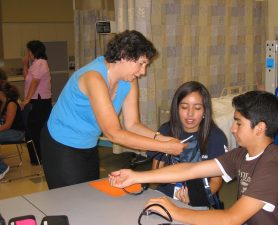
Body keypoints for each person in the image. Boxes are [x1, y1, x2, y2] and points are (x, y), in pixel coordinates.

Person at [109, 90, 278, 225]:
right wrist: (136, 176)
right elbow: (190, 169)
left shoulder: (272, 167)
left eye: (238, 123)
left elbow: (231, 219)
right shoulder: (242, 154)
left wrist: (175, 211)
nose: (232, 128)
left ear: (260, 128)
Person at [40, 30, 185, 189]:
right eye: (141, 63)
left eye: (146, 65)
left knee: (87, 195)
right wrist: (164, 147)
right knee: (70, 200)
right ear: (124, 55)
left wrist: (164, 139)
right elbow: (113, 133)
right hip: (61, 143)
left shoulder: (128, 80)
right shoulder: (93, 77)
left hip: (87, 144)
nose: (143, 71)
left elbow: (132, 124)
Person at [147, 81, 227, 208]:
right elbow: (155, 173)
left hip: (199, 196)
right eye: (184, 107)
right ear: (177, 108)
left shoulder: (216, 137)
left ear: (205, 110)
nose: (190, 114)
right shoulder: (165, 131)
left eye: (197, 108)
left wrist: (194, 198)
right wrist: (172, 178)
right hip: (166, 193)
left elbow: (216, 181)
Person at [21, 40, 52, 165]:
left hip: (39, 102)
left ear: (33, 51)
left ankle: (38, 158)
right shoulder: (35, 63)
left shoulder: (40, 63)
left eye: (28, 51)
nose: (27, 53)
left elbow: (35, 82)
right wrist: (25, 64)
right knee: (33, 131)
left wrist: (27, 99)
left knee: (34, 131)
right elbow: (27, 79)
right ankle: (37, 158)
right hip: (38, 101)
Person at [0, 81, 25, 180]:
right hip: (10, 131)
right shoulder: (5, 103)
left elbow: (8, 125)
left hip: (17, 133)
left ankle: (3, 168)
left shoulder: (11, 104)